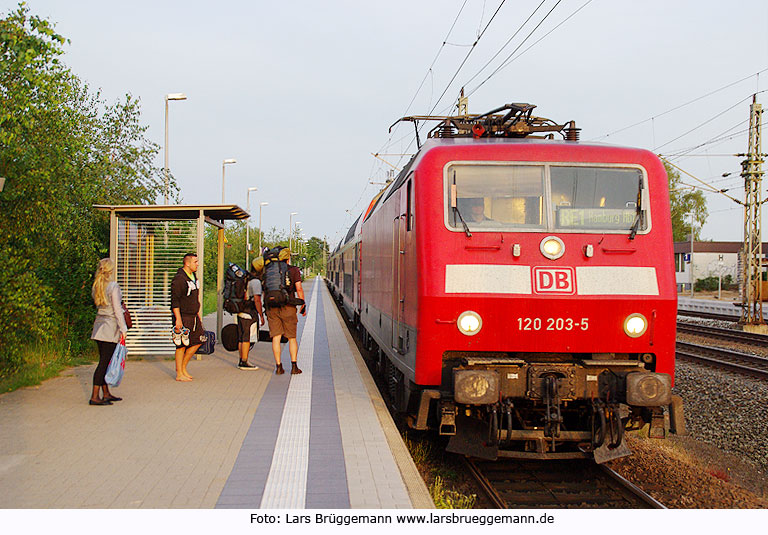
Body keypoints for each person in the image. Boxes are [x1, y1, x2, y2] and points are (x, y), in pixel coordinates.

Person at [89, 258, 128, 405]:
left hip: (99, 326)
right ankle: (94, 396)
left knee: (105, 360)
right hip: (110, 328)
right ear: (110, 270)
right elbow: (117, 310)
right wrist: (123, 329)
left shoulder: (96, 286)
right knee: (105, 363)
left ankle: (106, 393)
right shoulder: (113, 286)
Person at [266, 255, 306, 375]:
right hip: (289, 307)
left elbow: (265, 290)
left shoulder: (269, 270)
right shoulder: (293, 270)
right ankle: (294, 367)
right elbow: (299, 288)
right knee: (292, 338)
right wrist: (302, 304)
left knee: (276, 338)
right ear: (287, 259)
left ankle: (278, 367)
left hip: (272, 307)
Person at [171, 252, 205, 381]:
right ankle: (179, 373)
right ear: (187, 263)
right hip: (182, 316)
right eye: (195, 262)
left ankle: (183, 366)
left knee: (198, 341)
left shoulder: (193, 276)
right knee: (181, 345)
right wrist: (178, 319)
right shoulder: (179, 279)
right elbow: (175, 300)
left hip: (193, 316)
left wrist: (198, 314)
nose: (197, 264)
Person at [235, 272, 264, 370]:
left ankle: (241, 360)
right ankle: (244, 361)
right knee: (247, 337)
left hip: (240, 310)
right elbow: (257, 300)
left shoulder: (245, 279)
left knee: (241, 337)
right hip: (249, 312)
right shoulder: (256, 282)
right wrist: (261, 315)